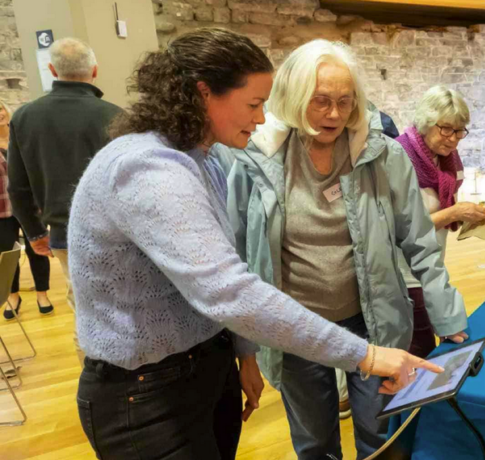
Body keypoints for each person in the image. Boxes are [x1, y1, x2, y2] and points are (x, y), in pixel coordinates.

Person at [68, 28, 441, 460]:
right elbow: (231, 290)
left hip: (203, 367)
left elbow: (228, 270)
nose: (262, 118)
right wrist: (368, 356)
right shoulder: (149, 168)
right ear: (204, 93)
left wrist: (240, 354)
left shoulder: (199, 159)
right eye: (253, 104)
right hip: (146, 391)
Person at [221, 39, 469, 459]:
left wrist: (448, 314)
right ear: (295, 97)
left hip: (373, 324)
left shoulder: (383, 155)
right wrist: (244, 349)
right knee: (315, 443)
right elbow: (238, 260)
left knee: (381, 438)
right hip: (295, 329)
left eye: (344, 101)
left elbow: (421, 242)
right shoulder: (255, 159)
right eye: (320, 101)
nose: (334, 114)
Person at [6, 38, 123, 361]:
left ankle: (95, 375)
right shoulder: (114, 115)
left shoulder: (24, 117)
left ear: (52, 69)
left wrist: (33, 232)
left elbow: (17, 185)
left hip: (62, 231)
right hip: (116, 229)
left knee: (84, 305)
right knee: (122, 300)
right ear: (95, 71)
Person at [395, 85, 485, 358]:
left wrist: (469, 216)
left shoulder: (445, 160)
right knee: (420, 347)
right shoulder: (399, 157)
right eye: (446, 129)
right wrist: (454, 213)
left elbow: (440, 207)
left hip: (430, 263)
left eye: (459, 131)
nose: (453, 139)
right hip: (404, 270)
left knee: (429, 339)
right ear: (426, 122)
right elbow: (401, 228)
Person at [0, 100, 52, 320]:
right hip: (2, 209)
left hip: (30, 204)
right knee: (6, 253)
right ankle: (13, 296)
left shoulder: (21, 136)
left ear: (6, 111)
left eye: (0, 108)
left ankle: (42, 294)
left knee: (37, 248)